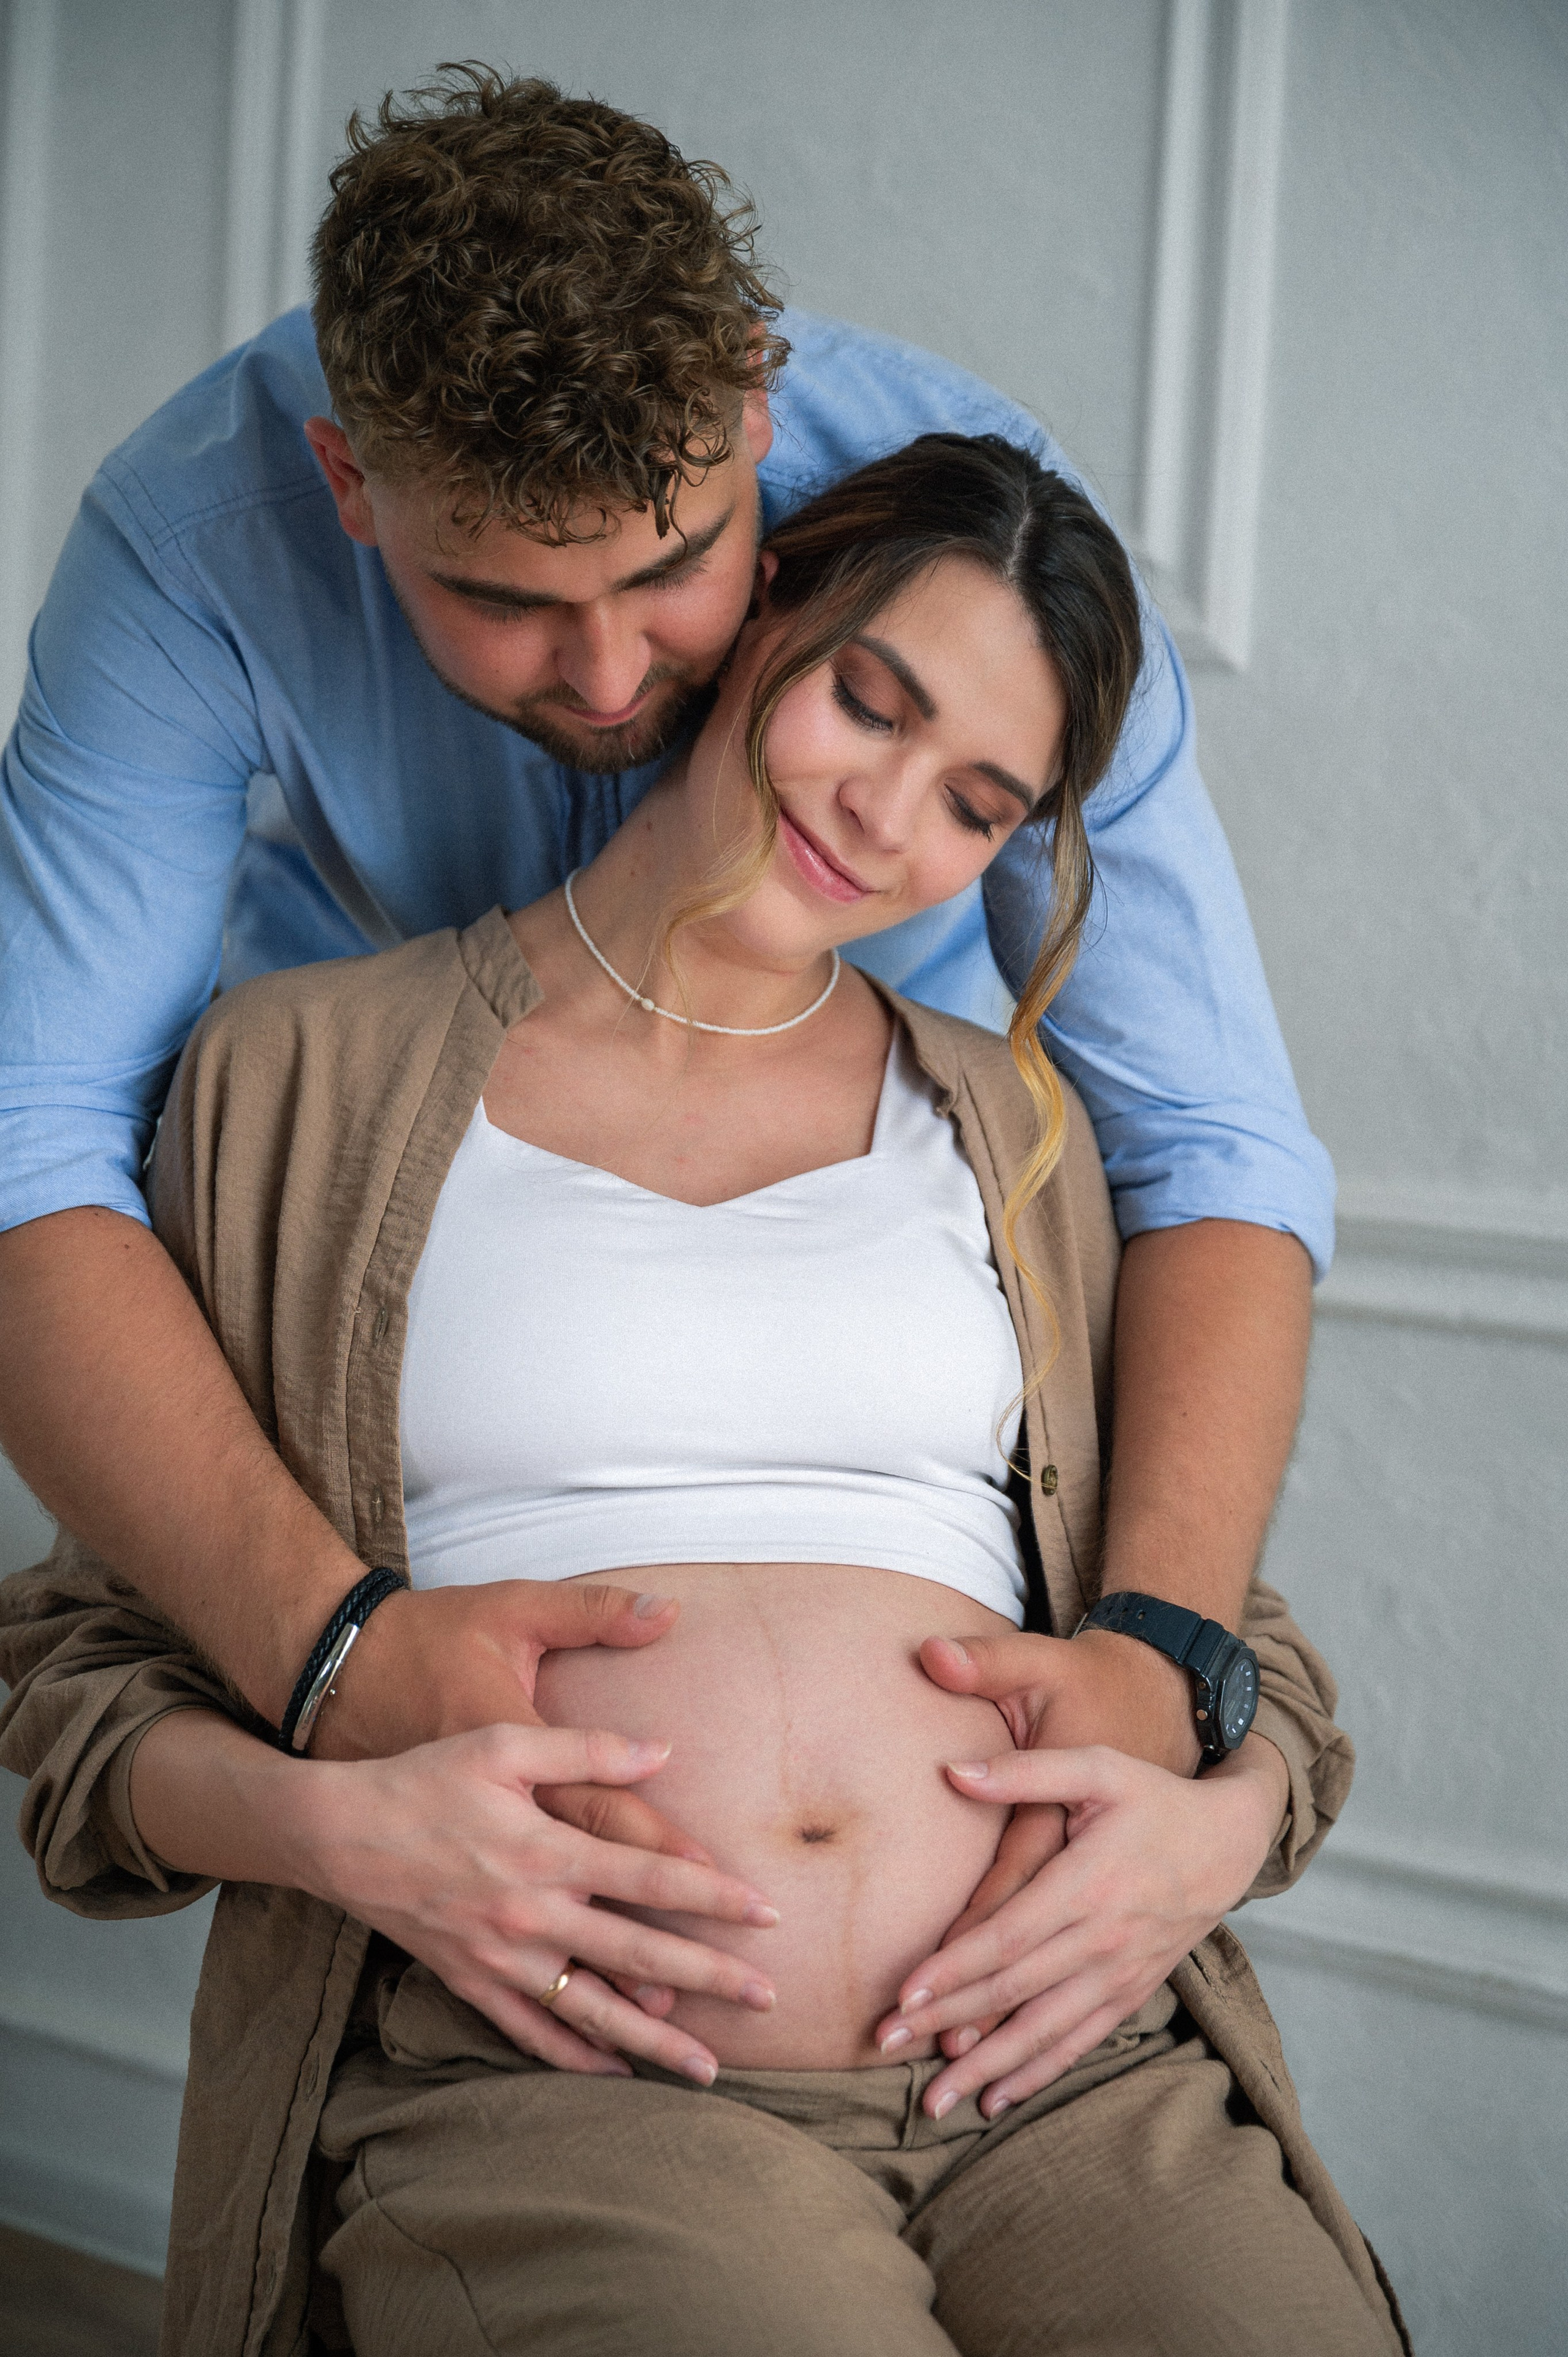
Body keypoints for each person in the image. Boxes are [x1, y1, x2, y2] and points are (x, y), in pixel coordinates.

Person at [1, 434, 1402, 2357]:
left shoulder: (1018, 1140)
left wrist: (1221, 1823)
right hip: (566, 2089)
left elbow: (1222, 1639)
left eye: (979, 798)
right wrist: (343, 1830)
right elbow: (85, 1673)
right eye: (870, 701)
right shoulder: (295, 1081)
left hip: (1067, 2071)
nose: (888, 808)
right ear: (760, 619)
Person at [0, 71, 1330, 1958]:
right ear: (349, 486)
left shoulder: (977, 528)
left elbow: (1215, 1140)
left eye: (673, 568)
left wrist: (1163, 1647)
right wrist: (335, 1652)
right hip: (416, 1206)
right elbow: (24, 1135)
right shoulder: (191, 539)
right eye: (505, 601)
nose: (616, 675)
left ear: (758, 415)